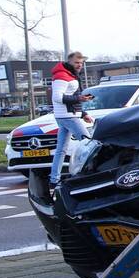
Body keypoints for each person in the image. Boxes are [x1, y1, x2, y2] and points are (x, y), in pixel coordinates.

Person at [49, 51, 94, 188]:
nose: (79, 65)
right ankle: (87, 175)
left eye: (81, 63)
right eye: (76, 62)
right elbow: (57, 97)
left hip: (67, 115)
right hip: (67, 116)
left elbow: (71, 97)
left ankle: (54, 179)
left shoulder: (68, 75)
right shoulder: (62, 76)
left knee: (61, 149)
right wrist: (79, 99)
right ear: (69, 62)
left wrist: (82, 113)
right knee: (89, 145)